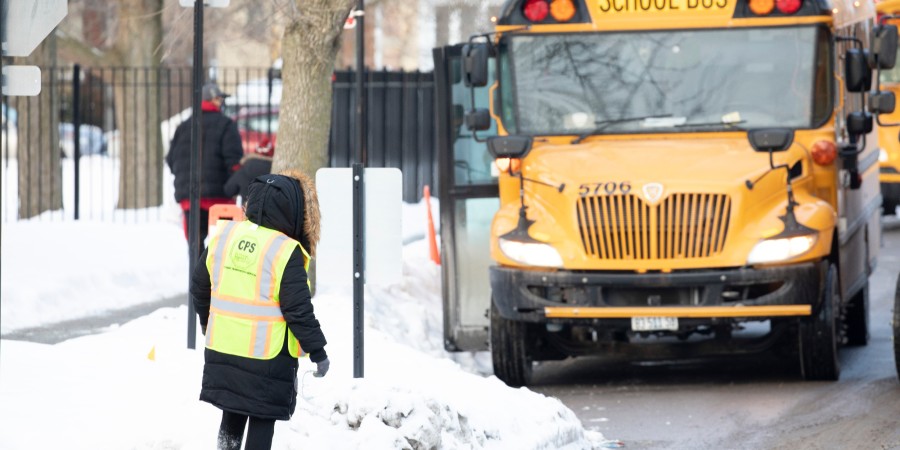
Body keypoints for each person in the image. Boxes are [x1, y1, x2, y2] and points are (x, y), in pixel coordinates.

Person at [190, 169, 329, 450]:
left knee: (231, 415)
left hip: (224, 348)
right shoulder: (285, 250)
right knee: (262, 418)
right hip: (267, 356)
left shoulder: (224, 236)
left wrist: (208, 323)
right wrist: (318, 351)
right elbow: (298, 310)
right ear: (293, 211)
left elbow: (199, 285)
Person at [166, 82, 244, 246]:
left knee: (195, 248)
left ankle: (196, 272)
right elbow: (234, 162)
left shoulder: (184, 126)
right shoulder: (226, 125)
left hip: (190, 197)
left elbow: (171, 160)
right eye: (219, 98)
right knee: (222, 247)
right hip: (220, 198)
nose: (222, 102)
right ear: (214, 100)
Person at [224, 138, 274, 202]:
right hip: (268, 209)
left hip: (245, 208)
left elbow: (228, 190)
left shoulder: (244, 168)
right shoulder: (275, 170)